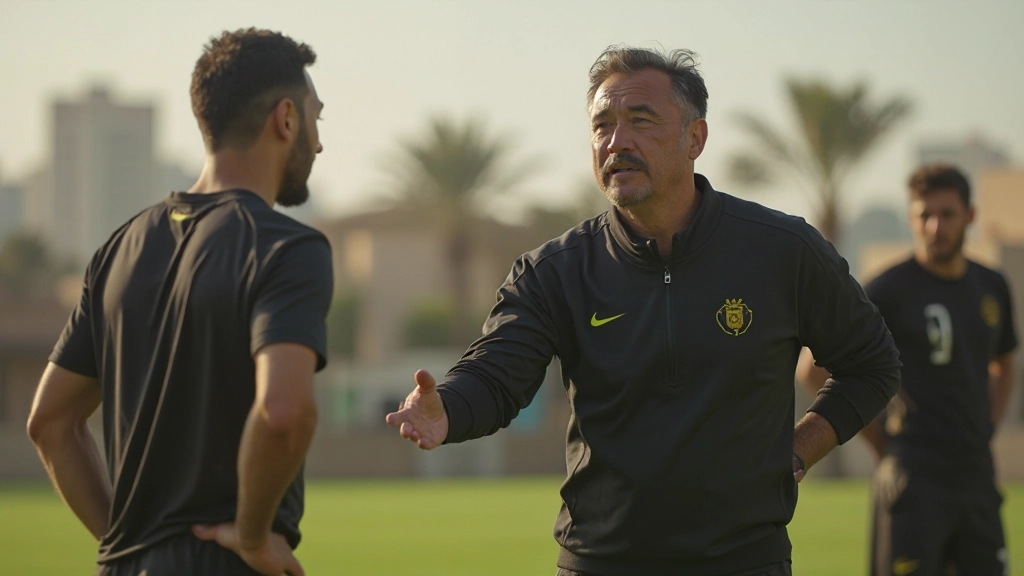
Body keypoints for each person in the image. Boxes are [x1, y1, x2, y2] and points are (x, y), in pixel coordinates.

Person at [386, 45, 901, 576]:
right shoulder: (554, 271)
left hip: (746, 562)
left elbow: (873, 364)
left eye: (640, 121)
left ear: (695, 139)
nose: (616, 142)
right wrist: (446, 406)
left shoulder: (783, 250)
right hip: (600, 563)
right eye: (602, 125)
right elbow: (497, 374)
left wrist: (795, 452)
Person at [26, 28, 331, 576]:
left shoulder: (116, 251)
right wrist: (254, 536)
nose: (319, 141)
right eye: (316, 119)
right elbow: (283, 412)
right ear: (286, 118)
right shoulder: (287, 247)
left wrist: (129, 545)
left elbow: (50, 421)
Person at [797, 164, 1016, 576]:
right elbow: (811, 370)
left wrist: (989, 423)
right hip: (912, 479)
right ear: (911, 218)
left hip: (976, 477)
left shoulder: (992, 286)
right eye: (924, 216)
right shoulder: (888, 289)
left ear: (970, 217)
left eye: (947, 215)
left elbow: (1004, 360)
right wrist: (882, 445)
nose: (935, 226)